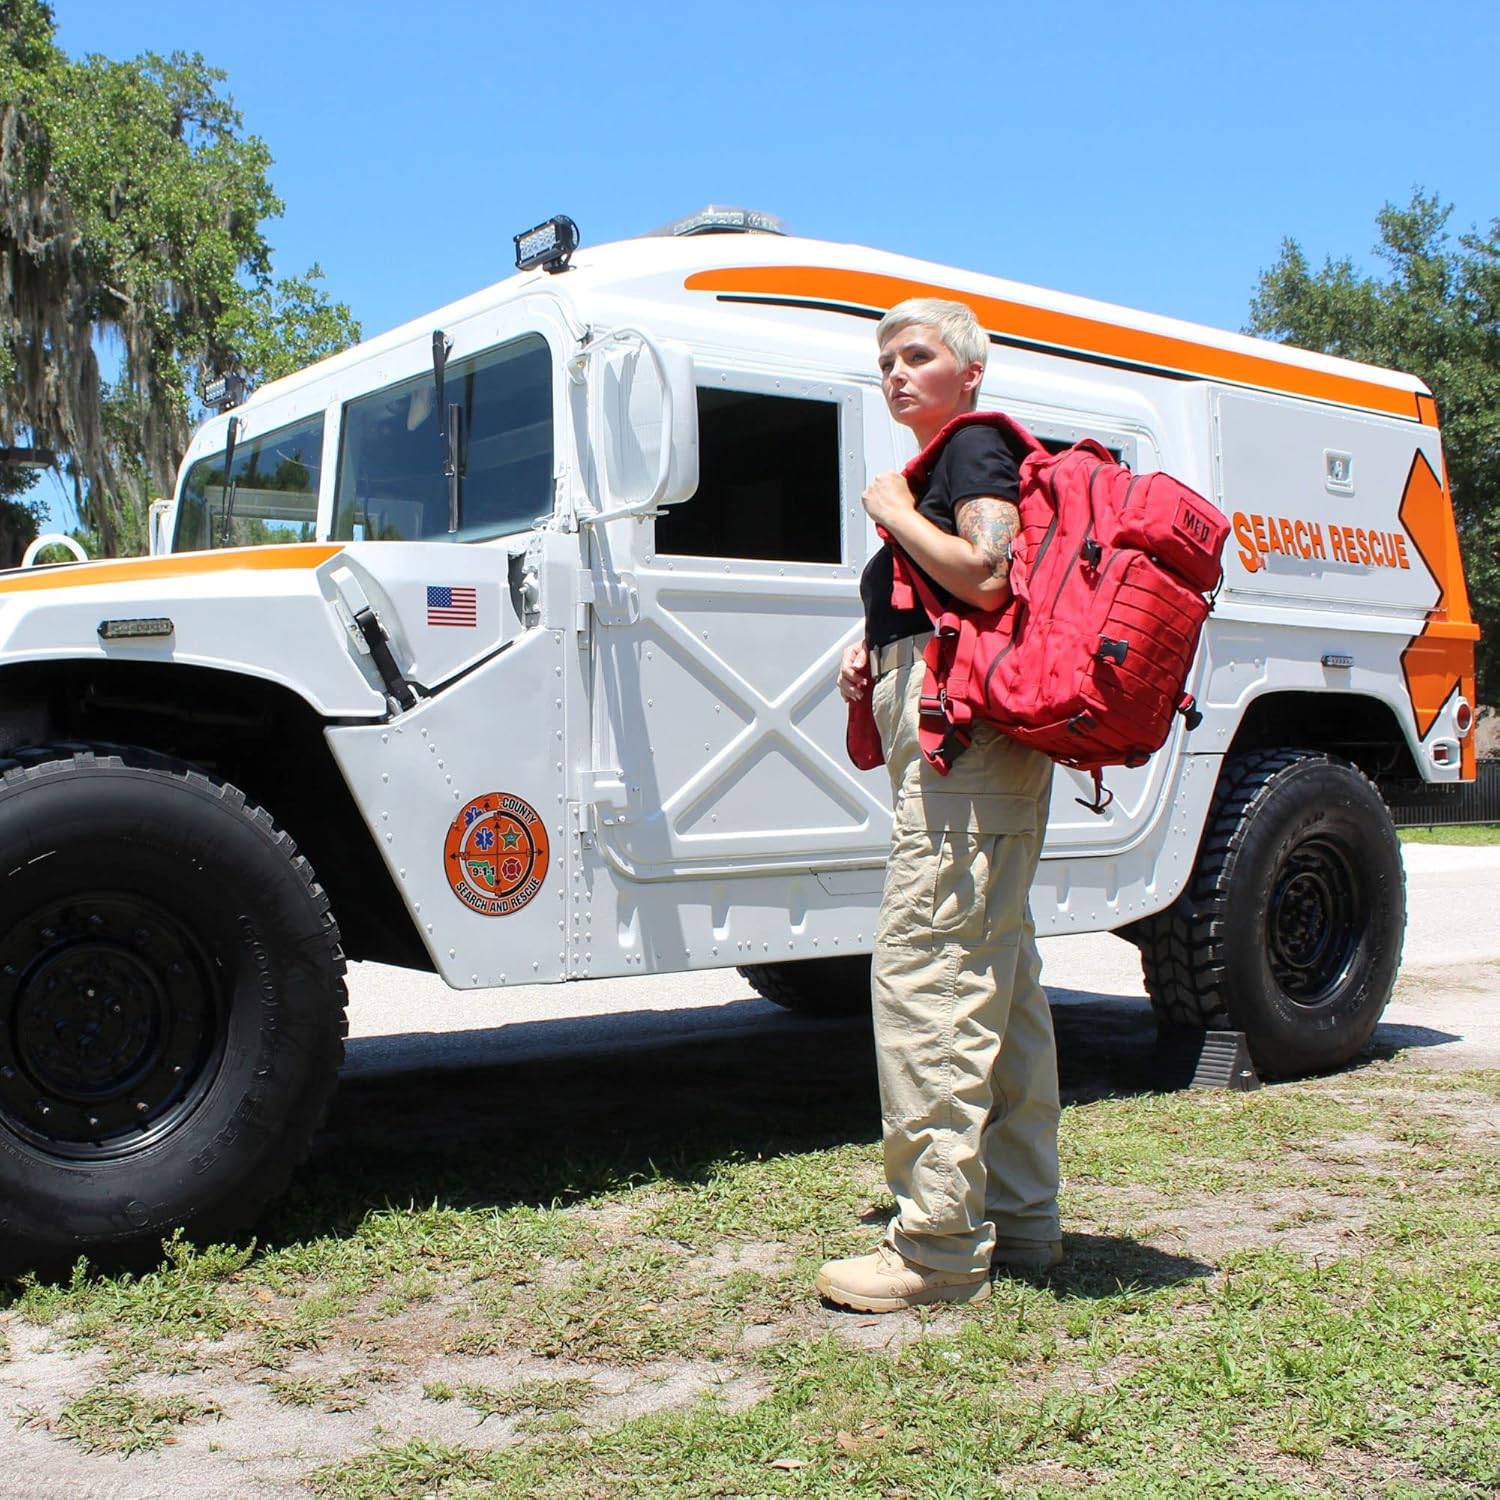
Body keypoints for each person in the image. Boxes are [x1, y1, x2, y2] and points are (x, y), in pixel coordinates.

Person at [816, 297, 1061, 1313]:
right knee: (997, 978)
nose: (896, 373)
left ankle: (938, 1245)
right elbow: (948, 594)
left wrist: (891, 514)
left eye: (918, 355)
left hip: (965, 749)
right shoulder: (945, 466)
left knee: (929, 967)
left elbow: (990, 577)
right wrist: (871, 651)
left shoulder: (969, 451)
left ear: (969, 369)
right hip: (958, 746)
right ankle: (1022, 1214)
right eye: (885, 359)